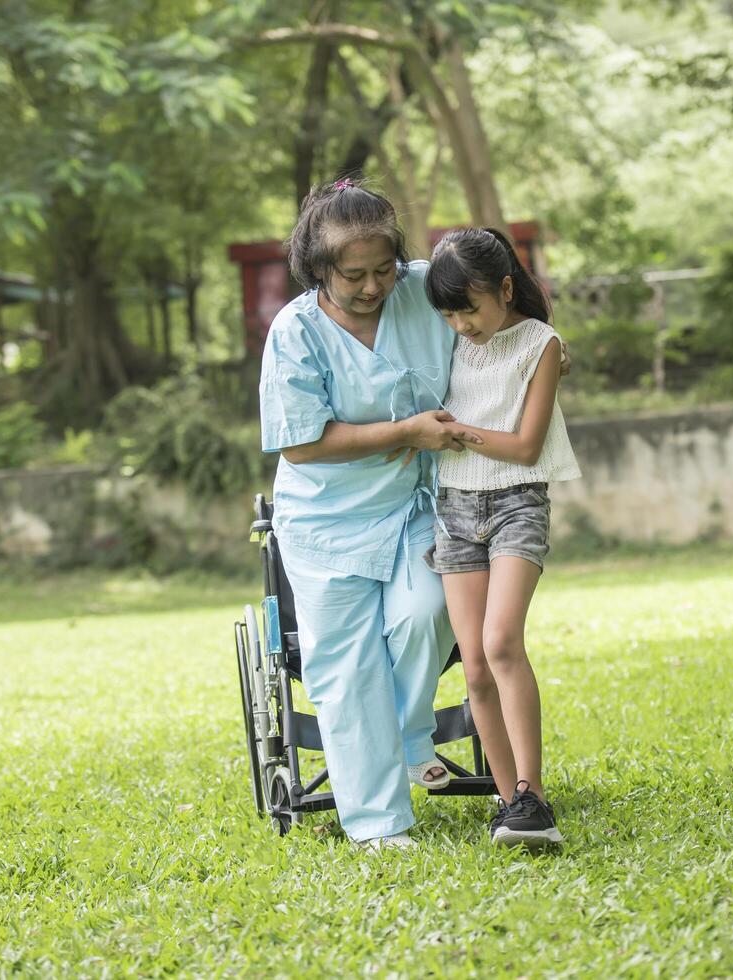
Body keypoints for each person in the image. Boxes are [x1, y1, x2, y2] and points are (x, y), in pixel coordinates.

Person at [258, 179, 480, 850]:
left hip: (415, 505)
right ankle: (379, 826)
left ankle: (411, 739)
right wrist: (405, 432)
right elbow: (300, 443)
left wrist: (540, 346)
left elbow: (495, 311)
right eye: (352, 275)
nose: (371, 286)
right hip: (325, 523)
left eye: (383, 268)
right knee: (346, 667)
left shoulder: (422, 289)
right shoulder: (295, 332)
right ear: (317, 269)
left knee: (425, 613)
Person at [420, 227, 582, 847]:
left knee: (501, 642)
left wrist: (455, 431)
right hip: (454, 509)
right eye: (450, 312)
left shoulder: (540, 344)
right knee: (476, 668)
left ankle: (533, 797)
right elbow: (409, 277)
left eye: (471, 308)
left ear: (506, 288)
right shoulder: (447, 338)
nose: (460, 324)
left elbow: (524, 446)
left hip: (518, 504)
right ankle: (509, 802)